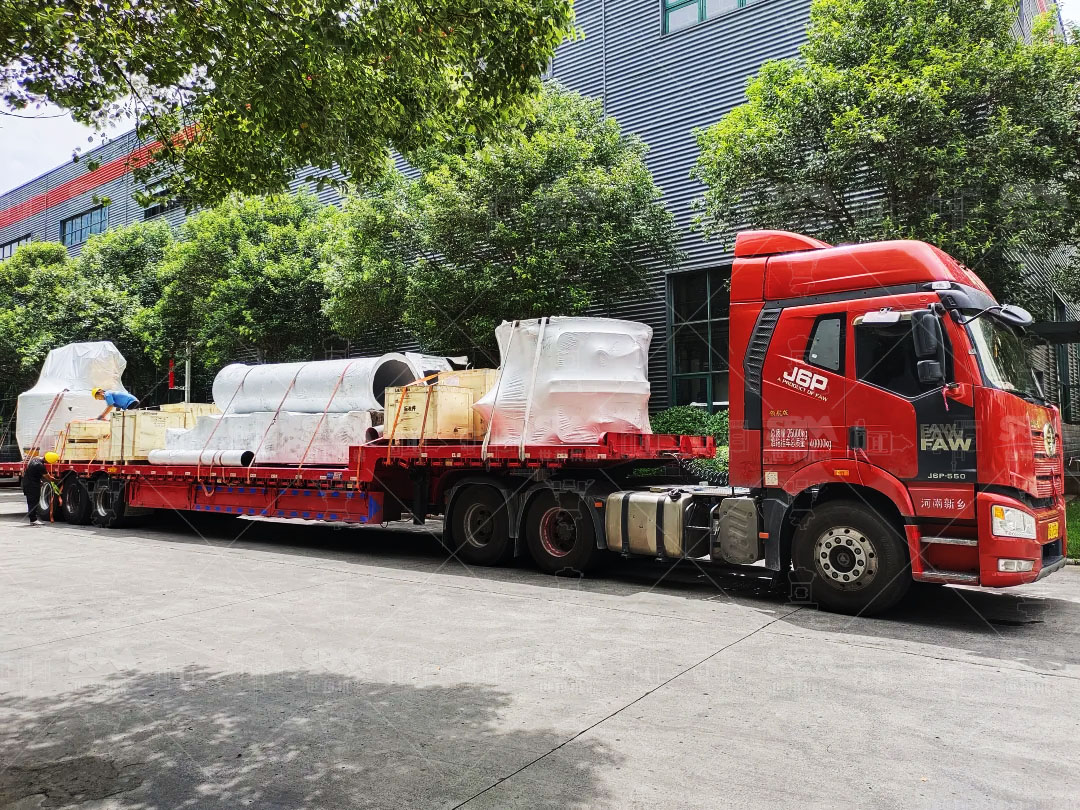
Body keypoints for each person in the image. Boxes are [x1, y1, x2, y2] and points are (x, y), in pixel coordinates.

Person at [21, 456, 52, 525]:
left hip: (27, 483)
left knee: (31, 502)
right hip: (32, 486)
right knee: (34, 502)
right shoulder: (40, 465)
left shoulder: (34, 460)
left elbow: (33, 473)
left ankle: (32, 519)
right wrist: (55, 480)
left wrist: (39, 480)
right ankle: (33, 520)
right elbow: (48, 477)